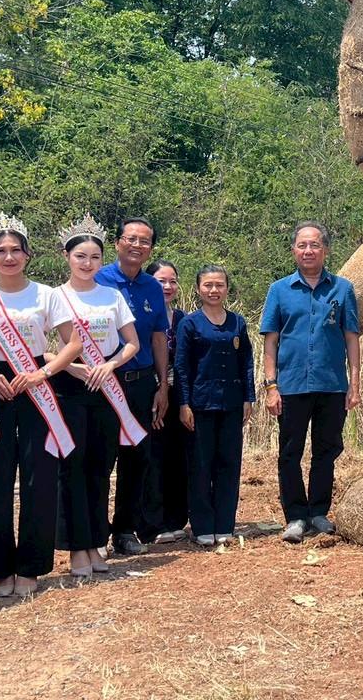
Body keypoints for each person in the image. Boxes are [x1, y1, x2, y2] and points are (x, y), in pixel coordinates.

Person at [0, 214, 81, 598]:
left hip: (36, 382)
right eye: (0, 251)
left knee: (40, 476)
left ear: (28, 254)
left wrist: (43, 373)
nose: (9, 257)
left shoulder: (46, 295)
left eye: (16, 249)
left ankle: (32, 566)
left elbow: (73, 343)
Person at [260, 221, 361, 543]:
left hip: (331, 385)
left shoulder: (342, 289)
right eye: (302, 245)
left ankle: (318, 512)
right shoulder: (279, 290)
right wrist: (271, 386)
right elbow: (270, 342)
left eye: (314, 245)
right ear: (293, 250)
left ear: (325, 250)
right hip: (291, 385)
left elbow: (351, 338)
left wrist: (354, 383)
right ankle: (295, 516)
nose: (308, 251)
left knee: (326, 451)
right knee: (290, 452)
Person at [56, 215, 144, 578]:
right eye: (80, 256)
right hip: (70, 387)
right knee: (73, 468)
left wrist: (110, 366)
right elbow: (41, 349)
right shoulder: (55, 297)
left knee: (100, 467)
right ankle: (77, 548)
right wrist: (71, 367)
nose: (87, 263)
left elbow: (132, 343)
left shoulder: (112, 296)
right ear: (67, 256)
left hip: (107, 385)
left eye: (94, 257)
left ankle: (96, 542)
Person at [95, 217, 171, 555]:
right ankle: (94, 536)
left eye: (145, 241)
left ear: (151, 248)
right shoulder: (97, 279)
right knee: (100, 459)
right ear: (117, 243)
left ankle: (124, 531)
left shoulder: (152, 287)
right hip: (102, 383)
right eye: (131, 239)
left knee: (136, 458)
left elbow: (158, 338)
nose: (137, 245)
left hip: (140, 383)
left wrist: (163, 385)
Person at [178, 266, 255, 545]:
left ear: (227, 288)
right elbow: (182, 367)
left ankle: (224, 525)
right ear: (198, 289)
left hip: (232, 404)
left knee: (229, 464)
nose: (214, 290)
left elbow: (246, 361)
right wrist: (183, 403)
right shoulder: (189, 323)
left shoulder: (237, 322)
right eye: (208, 285)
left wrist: (248, 397)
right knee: (201, 466)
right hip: (200, 405)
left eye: (219, 285)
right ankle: (202, 527)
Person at [148, 260, 190, 543]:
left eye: (172, 281)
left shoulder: (183, 319)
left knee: (177, 456)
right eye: (161, 281)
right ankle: (153, 521)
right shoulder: (141, 316)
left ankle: (177, 518)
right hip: (150, 393)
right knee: (153, 457)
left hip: (179, 396)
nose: (167, 286)